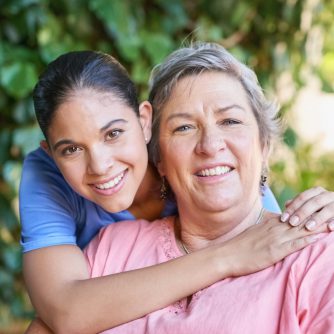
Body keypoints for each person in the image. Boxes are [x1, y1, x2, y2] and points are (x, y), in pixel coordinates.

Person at [20, 50, 334, 334]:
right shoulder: (110, 248)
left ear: (264, 144)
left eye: (231, 120)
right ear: (160, 157)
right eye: (184, 127)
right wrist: (228, 256)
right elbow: (63, 312)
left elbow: (255, 220)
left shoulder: (313, 255)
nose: (210, 146)